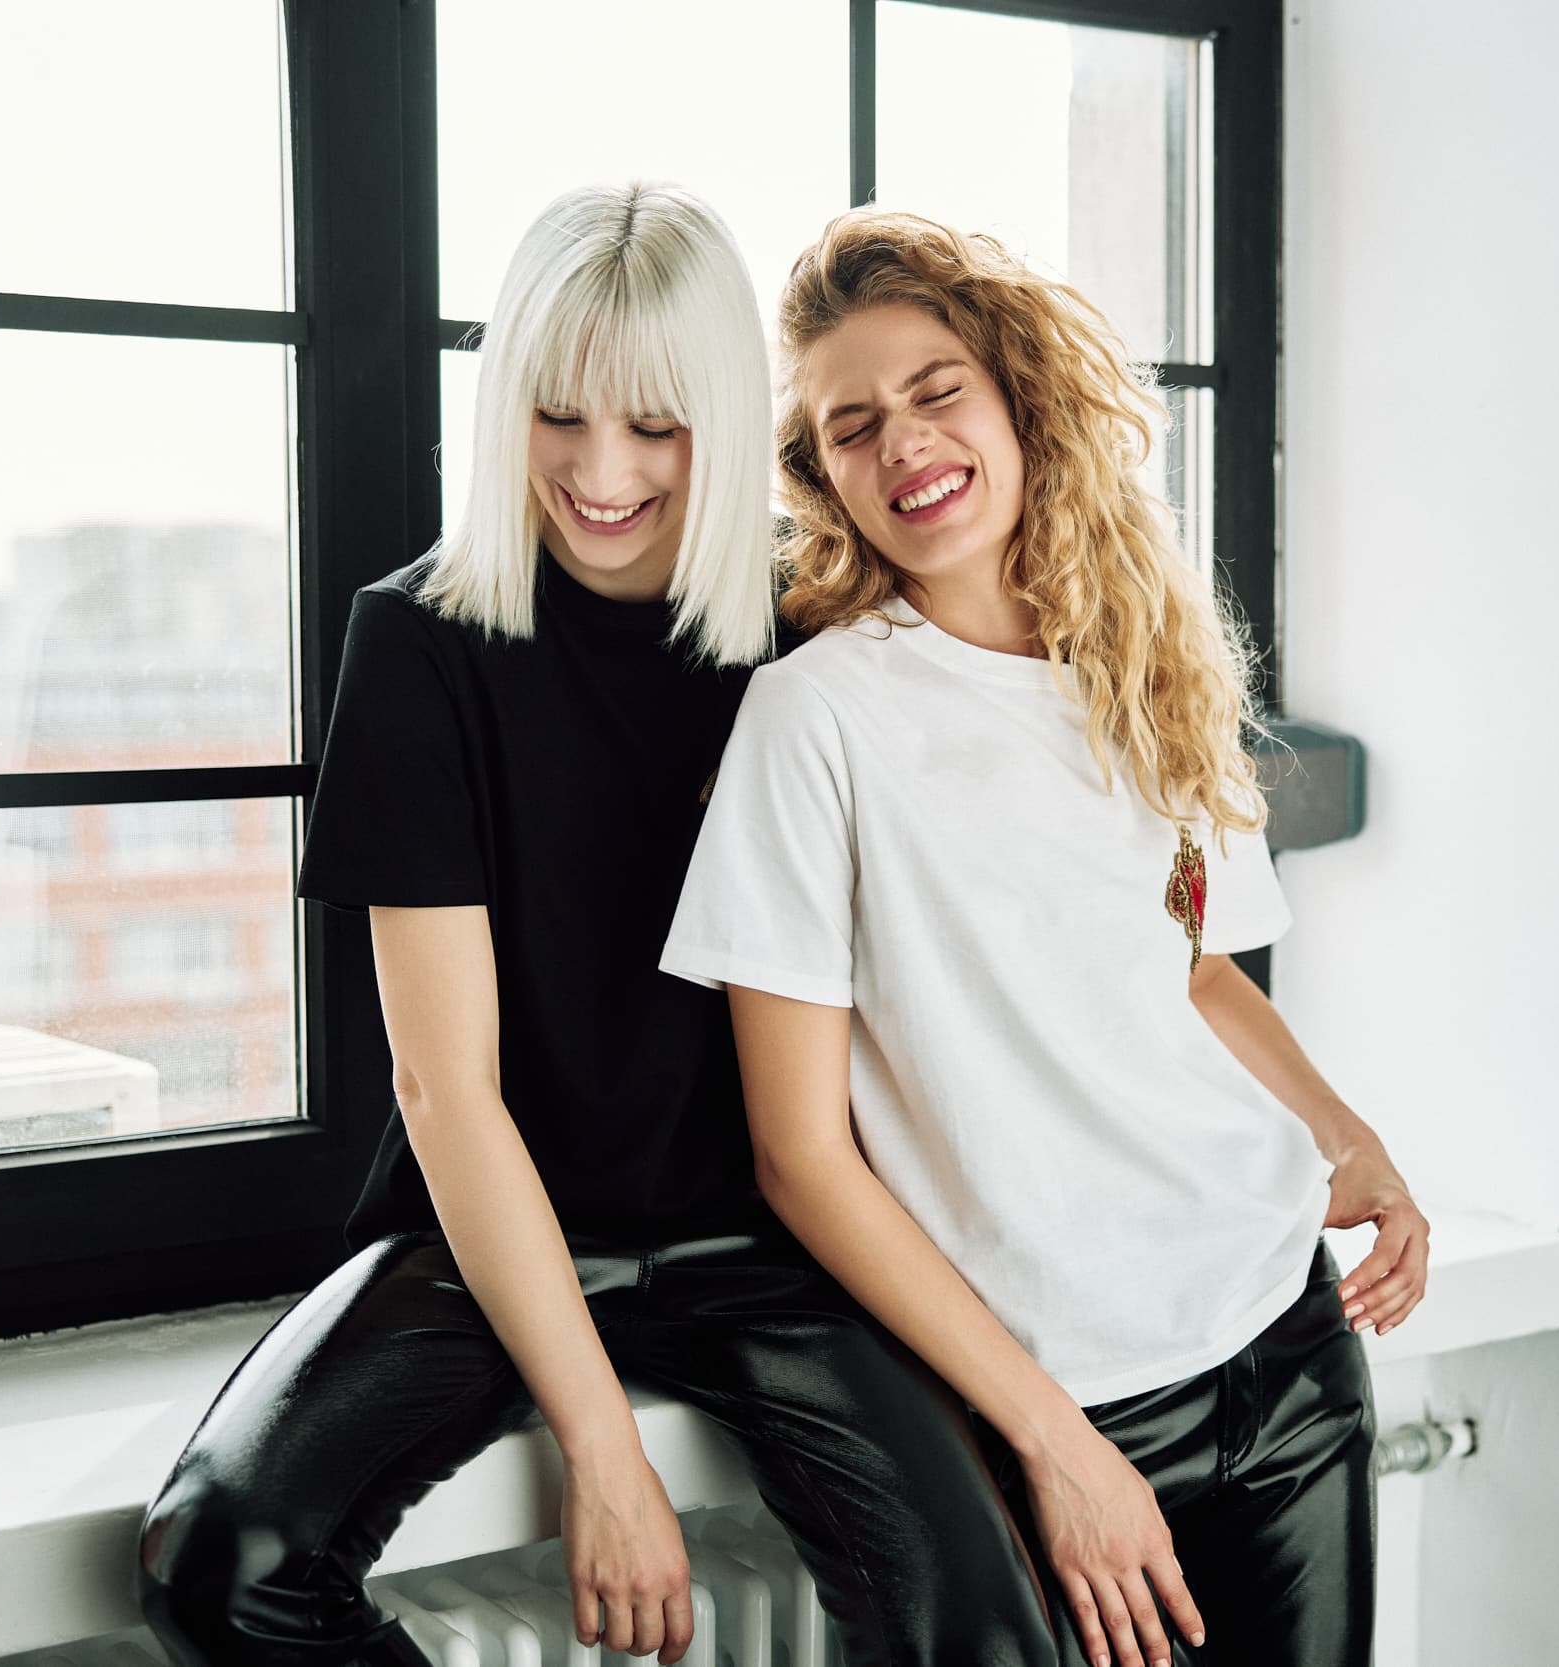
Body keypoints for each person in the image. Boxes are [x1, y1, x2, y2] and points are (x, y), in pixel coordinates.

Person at [134, 184, 1069, 1667]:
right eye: (558, 415)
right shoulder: (418, 639)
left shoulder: (821, 627)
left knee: (993, 1640)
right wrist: (602, 1446)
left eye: (657, 426)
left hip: (781, 1238)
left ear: (725, 418)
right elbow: (445, 1089)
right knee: (217, 1563)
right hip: (488, 1226)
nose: (602, 472)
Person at [661, 209, 1432, 1667]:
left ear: (1019, 398)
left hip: (1285, 1338)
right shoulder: (816, 720)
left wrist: (1353, 1141)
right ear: (824, 478)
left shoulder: (1147, 659)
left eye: (935, 390)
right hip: (1065, 1402)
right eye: (850, 427)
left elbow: (1201, 973)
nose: (903, 443)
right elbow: (800, 1159)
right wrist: (1056, 1446)